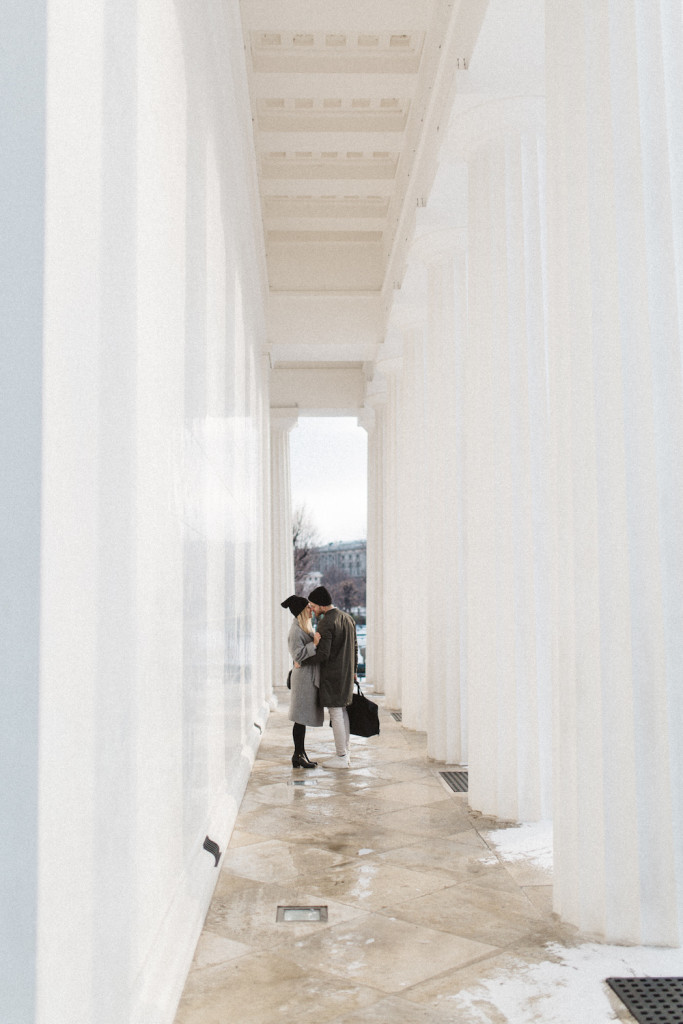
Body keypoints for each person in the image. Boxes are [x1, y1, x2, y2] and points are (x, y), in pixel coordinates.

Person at [297, 585, 357, 769]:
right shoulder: (348, 618)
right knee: (343, 711)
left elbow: (323, 654)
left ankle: (341, 755)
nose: (312, 609)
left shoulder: (326, 622)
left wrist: (302, 661)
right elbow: (354, 647)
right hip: (346, 674)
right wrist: (353, 672)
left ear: (322, 606)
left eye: (313, 606)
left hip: (333, 676)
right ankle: (345, 752)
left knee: (336, 713)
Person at [281, 595, 324, 768]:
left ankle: (301, 754)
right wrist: (313, 644)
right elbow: (297, 654)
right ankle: (297, 755)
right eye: (307, 607)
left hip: (307, 676)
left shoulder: (304, 627)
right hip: (302, 679)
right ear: (300, 611)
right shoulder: (295, 631)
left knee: (302, 717)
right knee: (299, 717)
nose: (311, 609)